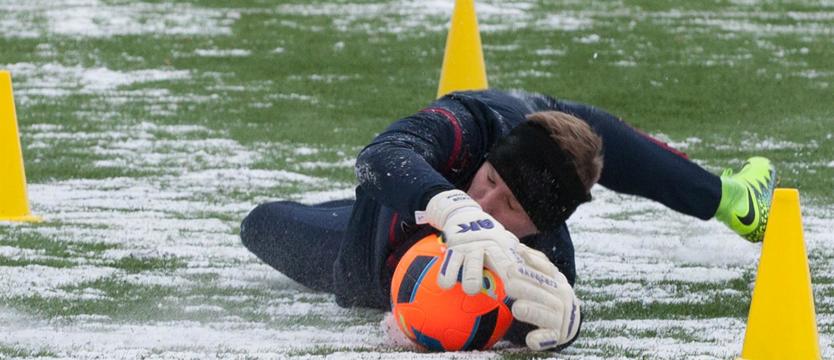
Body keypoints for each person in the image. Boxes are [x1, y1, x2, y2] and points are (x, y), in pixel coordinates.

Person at [239, 89, 777, 351]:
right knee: (259, 224)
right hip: (366, 245)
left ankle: (733, 198)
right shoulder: (469, 131)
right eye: (489, 181)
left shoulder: (546, 251)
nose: (489, 203)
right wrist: (453, 206)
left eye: (510, 208)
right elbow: (380, 156)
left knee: (591, 146)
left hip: (521, 159)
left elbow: (540, 310)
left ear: (536, 228)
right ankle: (725, 194)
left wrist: (565, 326)